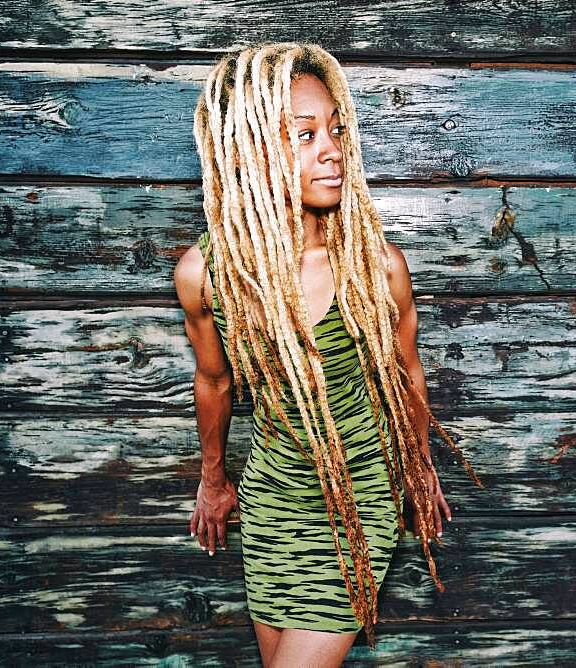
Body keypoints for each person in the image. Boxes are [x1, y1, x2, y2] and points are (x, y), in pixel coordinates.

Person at [173, 42, 483, 666]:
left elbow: (406, 370)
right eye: (305, 135)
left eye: (336, 130)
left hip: (355, 502)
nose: (332, 149)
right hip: (271, 506)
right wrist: (213, 481)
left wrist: (418, 468)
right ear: (252, 151)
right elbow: (214, 382)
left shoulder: (376, 267)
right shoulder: (208, 275)